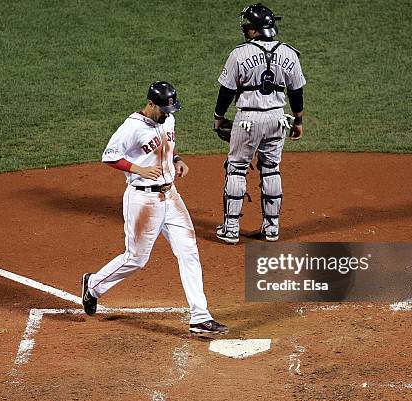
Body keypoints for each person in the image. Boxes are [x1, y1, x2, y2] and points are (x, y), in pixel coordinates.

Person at [81, 81, 228, 334]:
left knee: (189, 251)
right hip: (143, 200)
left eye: (171, 109)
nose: (168, 114)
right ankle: (93, 285)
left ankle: (199, 317)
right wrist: (139, 169)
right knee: (136, 259)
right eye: (163, 109)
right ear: (151, 104)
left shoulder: (167, 119)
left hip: (171, 197)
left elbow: (167, 145)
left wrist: (178, 159)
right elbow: (110, 155)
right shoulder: (132, 127)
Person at [213, 3, 306, 244]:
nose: (245, 28)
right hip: (277, 118)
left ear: (255, 30)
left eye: (247, 25)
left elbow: (226, 91)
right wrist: (298, 120)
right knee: (271, 168)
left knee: (236, 169)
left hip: (248, 119)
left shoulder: (239, 54)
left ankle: (231, 228)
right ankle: (272, 228)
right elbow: (296, 93)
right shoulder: (289, 53)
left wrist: (218, 117)